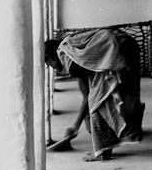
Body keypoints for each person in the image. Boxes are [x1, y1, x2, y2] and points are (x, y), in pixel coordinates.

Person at [45, 28, 145, 161]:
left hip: (118, 48)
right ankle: (123, 134)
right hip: (125, 45)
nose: (50, 66)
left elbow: (87, 97)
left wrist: (75, 126)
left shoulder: (66, 53)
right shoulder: (70, 49)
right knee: (119, 95)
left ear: (52, 56)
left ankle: (103, 152)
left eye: (48, 61)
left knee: (97, 102)